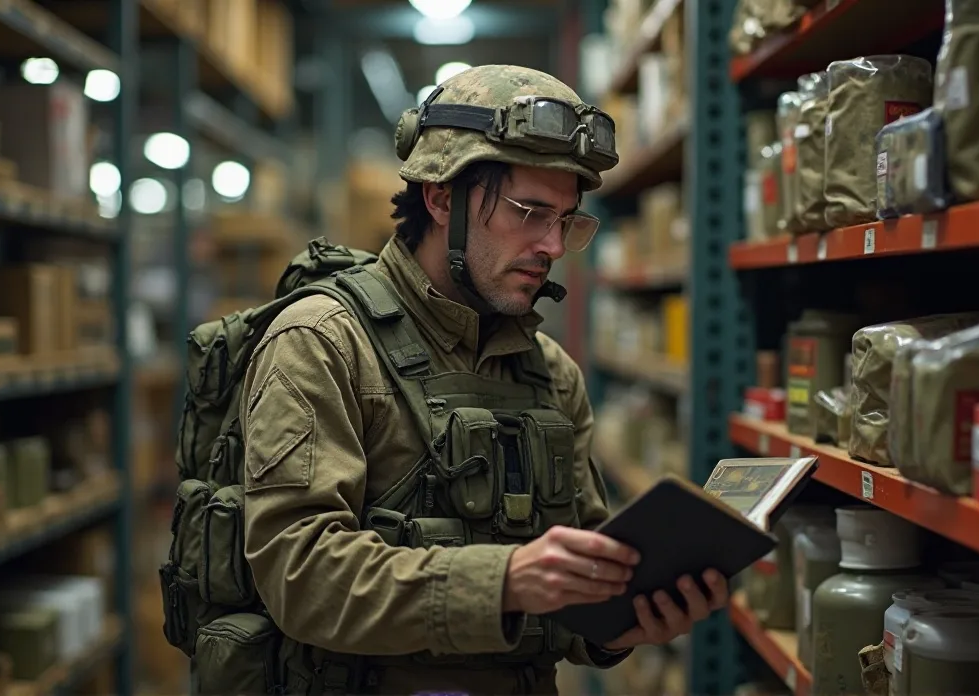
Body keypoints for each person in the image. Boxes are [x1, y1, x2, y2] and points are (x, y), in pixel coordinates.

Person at [239, 64, 729, 694]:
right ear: (442, 198)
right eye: (529, 212)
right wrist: (505, 581)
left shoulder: (552, 375)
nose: (552, 244)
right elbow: (300, 578)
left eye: (567, 220)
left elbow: (574, 599)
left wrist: (617, 624)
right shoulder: (323, 343)